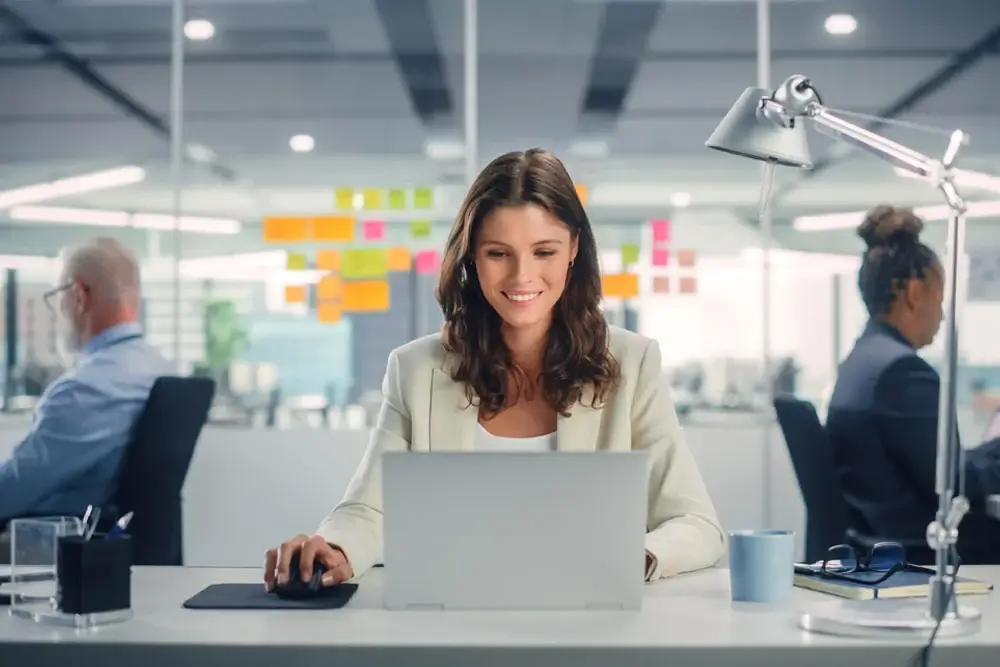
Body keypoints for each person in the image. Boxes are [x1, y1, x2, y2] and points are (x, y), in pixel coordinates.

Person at [265, 148, 725, 591]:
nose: (522, 276)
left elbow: (696, 524)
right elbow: (369, 509)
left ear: (573, 250)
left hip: (591, 621)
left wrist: (635, 558)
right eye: (498, 253)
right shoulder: (415, 369)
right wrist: (335, 549)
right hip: (454, 619)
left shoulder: (631, 363)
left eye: (543, 252)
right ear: (471, 256)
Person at [826, 205, 1000, 564]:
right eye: (939, 298)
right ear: (914, 291)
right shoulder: (901, 373)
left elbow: (938, 465)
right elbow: (954, 487)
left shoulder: (864, 362)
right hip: (923, 551)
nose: (941, 314)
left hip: (877, 541)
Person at [0, 237, 172, 527]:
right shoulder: (161, 370)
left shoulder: (86, 390)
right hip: (112, 546)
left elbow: (12, 491)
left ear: (79, 297)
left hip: (55, 542)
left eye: (58, 296)